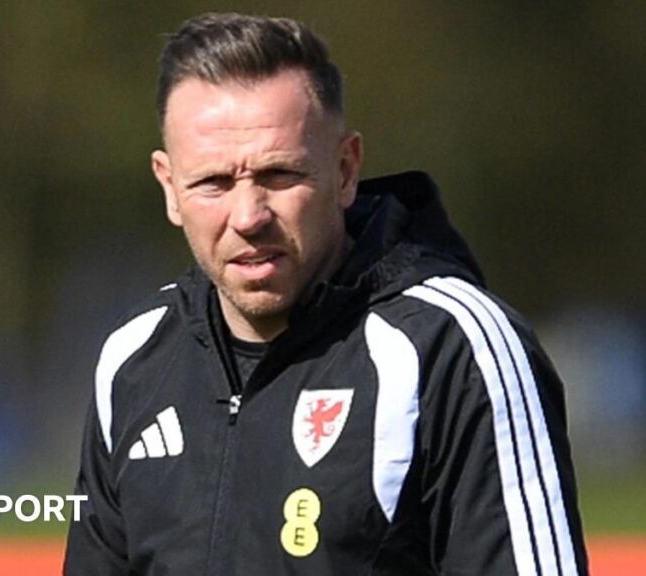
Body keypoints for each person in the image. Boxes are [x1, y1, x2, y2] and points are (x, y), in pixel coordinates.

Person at [65, 12, 589, 576]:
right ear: (170, 188)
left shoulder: (455, 349)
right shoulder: (135, 361)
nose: (248, 216)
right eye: (213, 183)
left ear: (344, 171)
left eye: (279, 175)